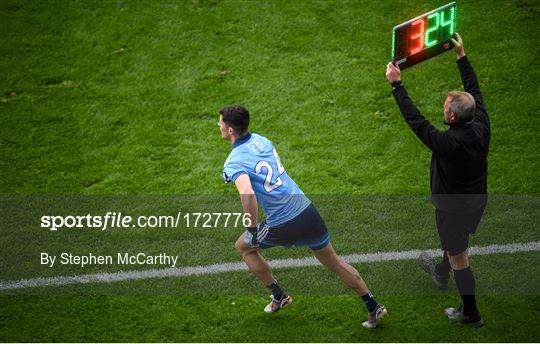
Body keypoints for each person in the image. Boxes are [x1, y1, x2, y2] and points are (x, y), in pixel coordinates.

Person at [219, 105, 387, 329]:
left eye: (220, 122)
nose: (218, 126)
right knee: (334, 262)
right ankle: (372, 304)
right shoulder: (262, 140)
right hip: (306, 209)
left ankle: (279, 296)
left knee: (244, 247)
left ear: (230, 130)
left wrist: (251, 228)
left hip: (283, 220)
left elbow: (247, 193)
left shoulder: (234, 161)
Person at [385, 33, 489, 327]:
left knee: (460, 257)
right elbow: (475, 89)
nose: (443, 108)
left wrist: (397, 84)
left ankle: (471, 312)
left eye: (446, 108)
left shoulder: (449, 143)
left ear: (453, 117)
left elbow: (416, 122)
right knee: (455, 243)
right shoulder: (481, 121)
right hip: (477, 200)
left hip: (453, 208)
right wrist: (462, 56)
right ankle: (441, 273)